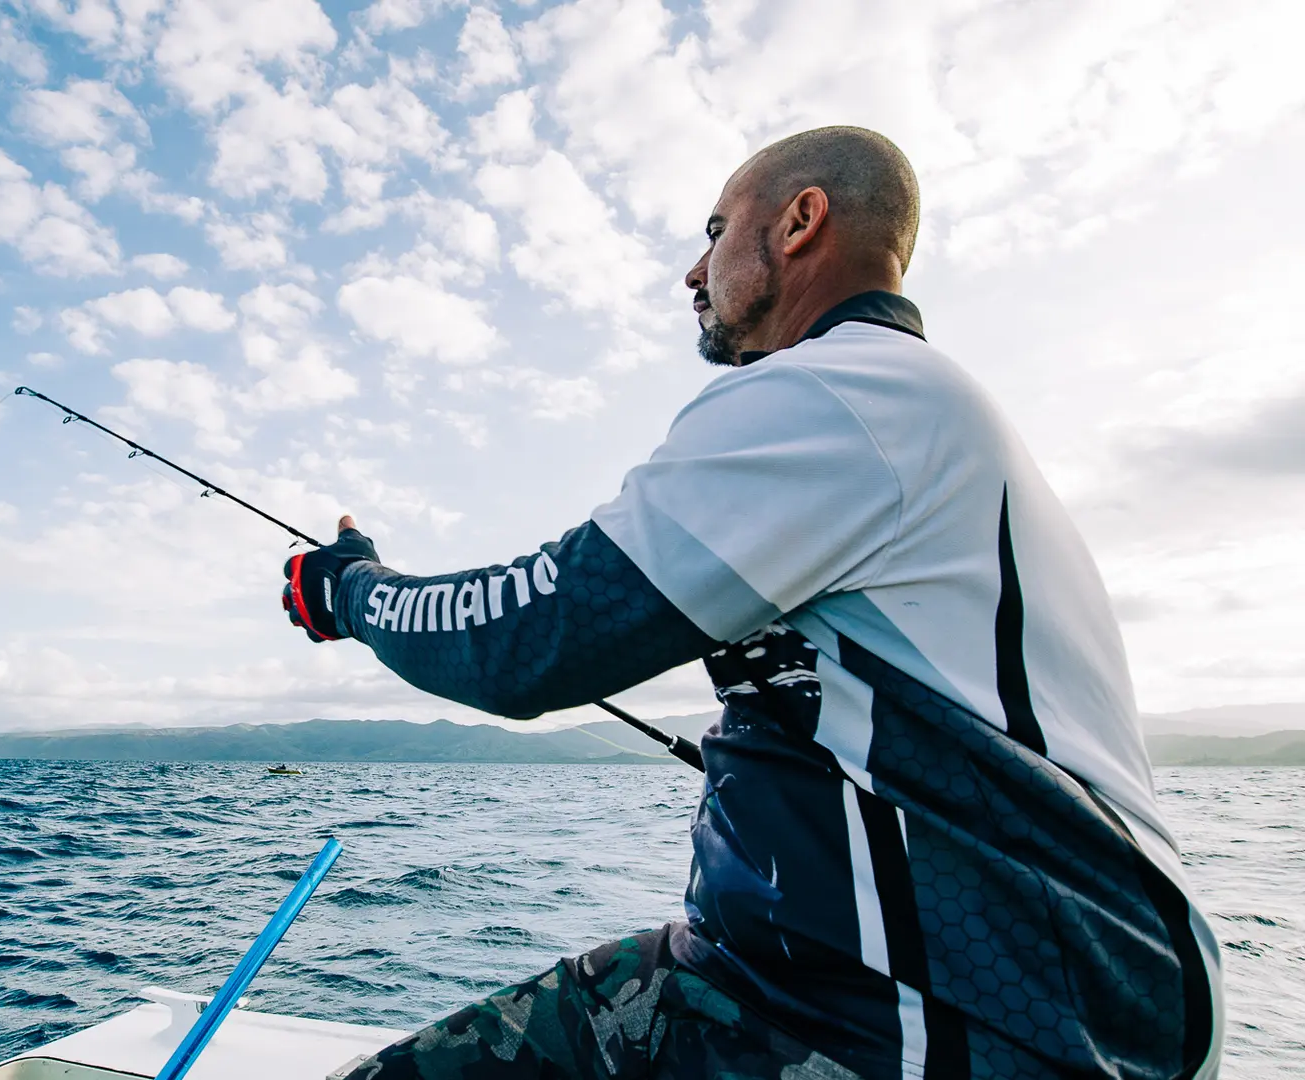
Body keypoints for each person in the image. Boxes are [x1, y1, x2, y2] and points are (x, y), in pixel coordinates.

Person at [282, 127, 1222, 1080]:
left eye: (717, 230)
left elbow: (532, 638)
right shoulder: (918, 409)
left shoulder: (838, 391)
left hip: (941, 1020)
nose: (693, 271)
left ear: (800, 222)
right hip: (1006, 992)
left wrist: (351, 589)